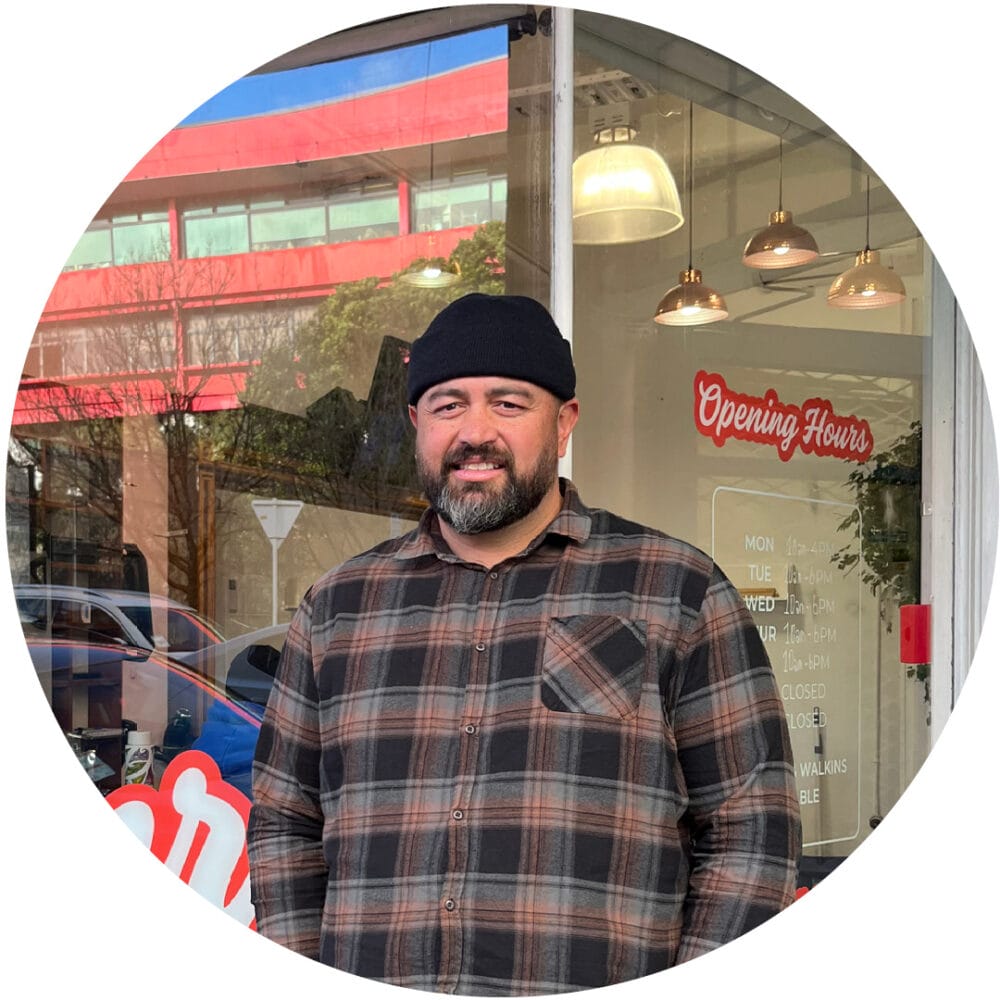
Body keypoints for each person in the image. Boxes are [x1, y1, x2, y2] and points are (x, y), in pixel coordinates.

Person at [248, 293, 801, 996]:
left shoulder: (676, 591)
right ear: (417, 423)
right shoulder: (337, 609)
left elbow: (752, 832)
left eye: (508, 404)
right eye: (448, 405)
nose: (475, 432)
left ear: (564, 422)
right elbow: (285, 826)